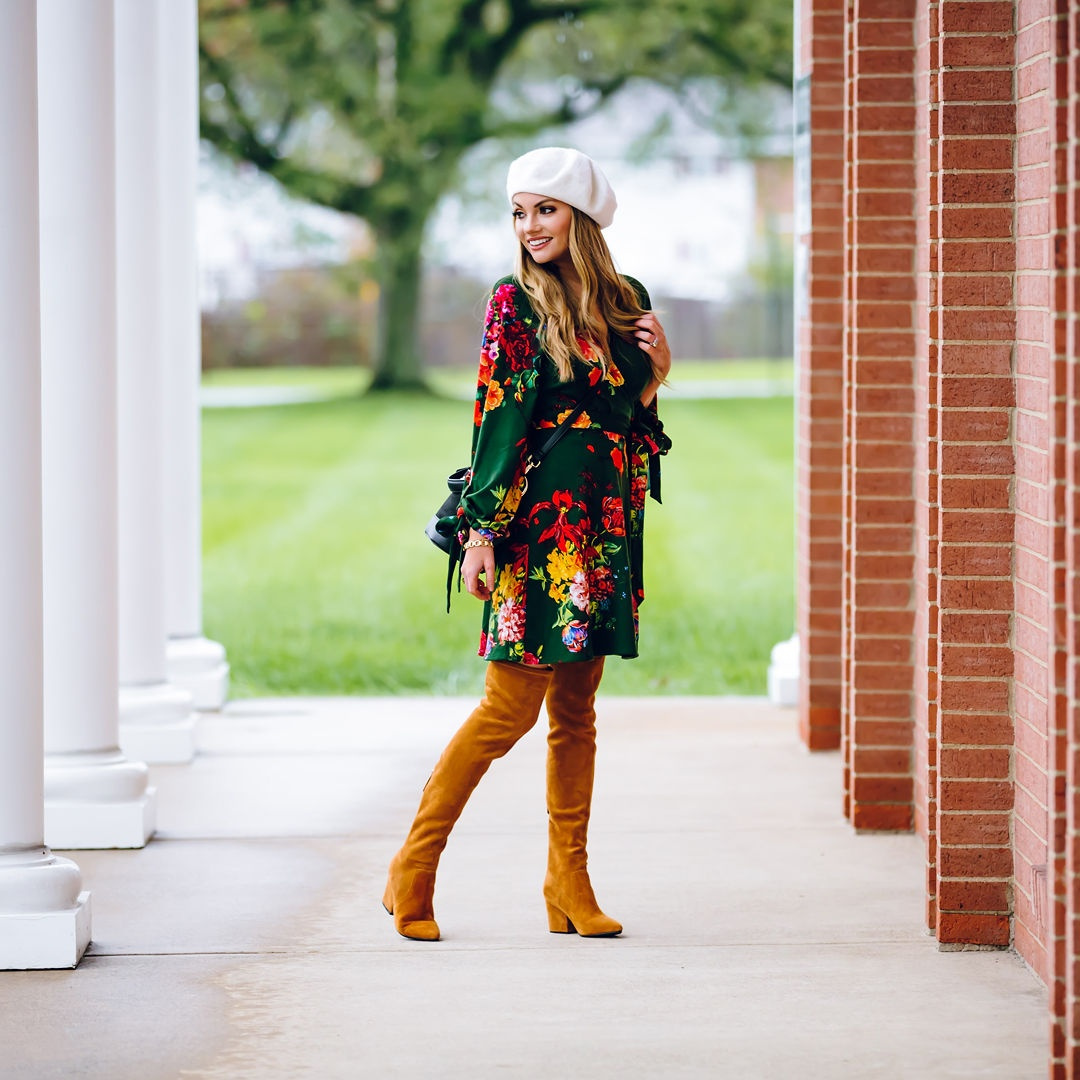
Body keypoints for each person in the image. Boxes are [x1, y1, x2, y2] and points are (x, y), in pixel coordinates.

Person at [384, 146, 672, 941]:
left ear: (581, 215)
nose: (530, 225)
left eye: (545, 209)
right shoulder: (514, 301)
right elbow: (498, 414)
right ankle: (413, 867)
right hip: (538, 530)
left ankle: (568, 884)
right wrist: (480, 531)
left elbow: (628, 424)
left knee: (576, 713)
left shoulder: (627, 299)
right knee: (506, 711)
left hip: (605, 527)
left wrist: (654, 377)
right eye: (519, 211)